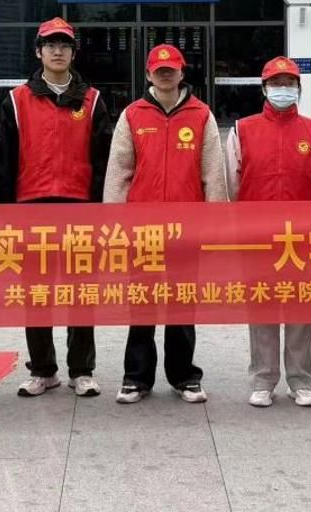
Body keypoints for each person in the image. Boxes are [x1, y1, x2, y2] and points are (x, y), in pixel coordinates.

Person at [106, 44, 228, 405]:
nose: (165, 76)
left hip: (186, 230)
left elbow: (213, 173)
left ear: (181, 73)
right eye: (159, 71)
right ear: (148, 74)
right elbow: (118, 172)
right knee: (141, 303)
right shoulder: (133, 115)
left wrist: (216, 224)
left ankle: (184, 376)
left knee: (182, 303)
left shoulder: (201, 115)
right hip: (142, 229)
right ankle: (136, 377)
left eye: (170, 70)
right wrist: (113, 224)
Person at [0, 17, 113, 399]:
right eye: (51, 45)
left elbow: (103, 161)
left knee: (81, 292)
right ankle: (43, 370)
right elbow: (6, 161)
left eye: (65, 45)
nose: (58, 51)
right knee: (36, 293)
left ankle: (82, 370)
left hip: (80, 206)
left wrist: (100, 209)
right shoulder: (16, 101)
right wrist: (6, 214)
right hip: (31, 206)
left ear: (74, 53)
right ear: (38, 52)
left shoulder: (93, 100)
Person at [226, 56, 311, 409]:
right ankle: (263, 378)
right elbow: (233, 183)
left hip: (301, 235)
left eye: (289, 84)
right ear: (263, 88)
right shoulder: (242, 130)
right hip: (257, 234)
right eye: (276, 84)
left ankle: (301, 380)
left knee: (302, 307)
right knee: (261, 306)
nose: (283, 90)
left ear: (299, 89)